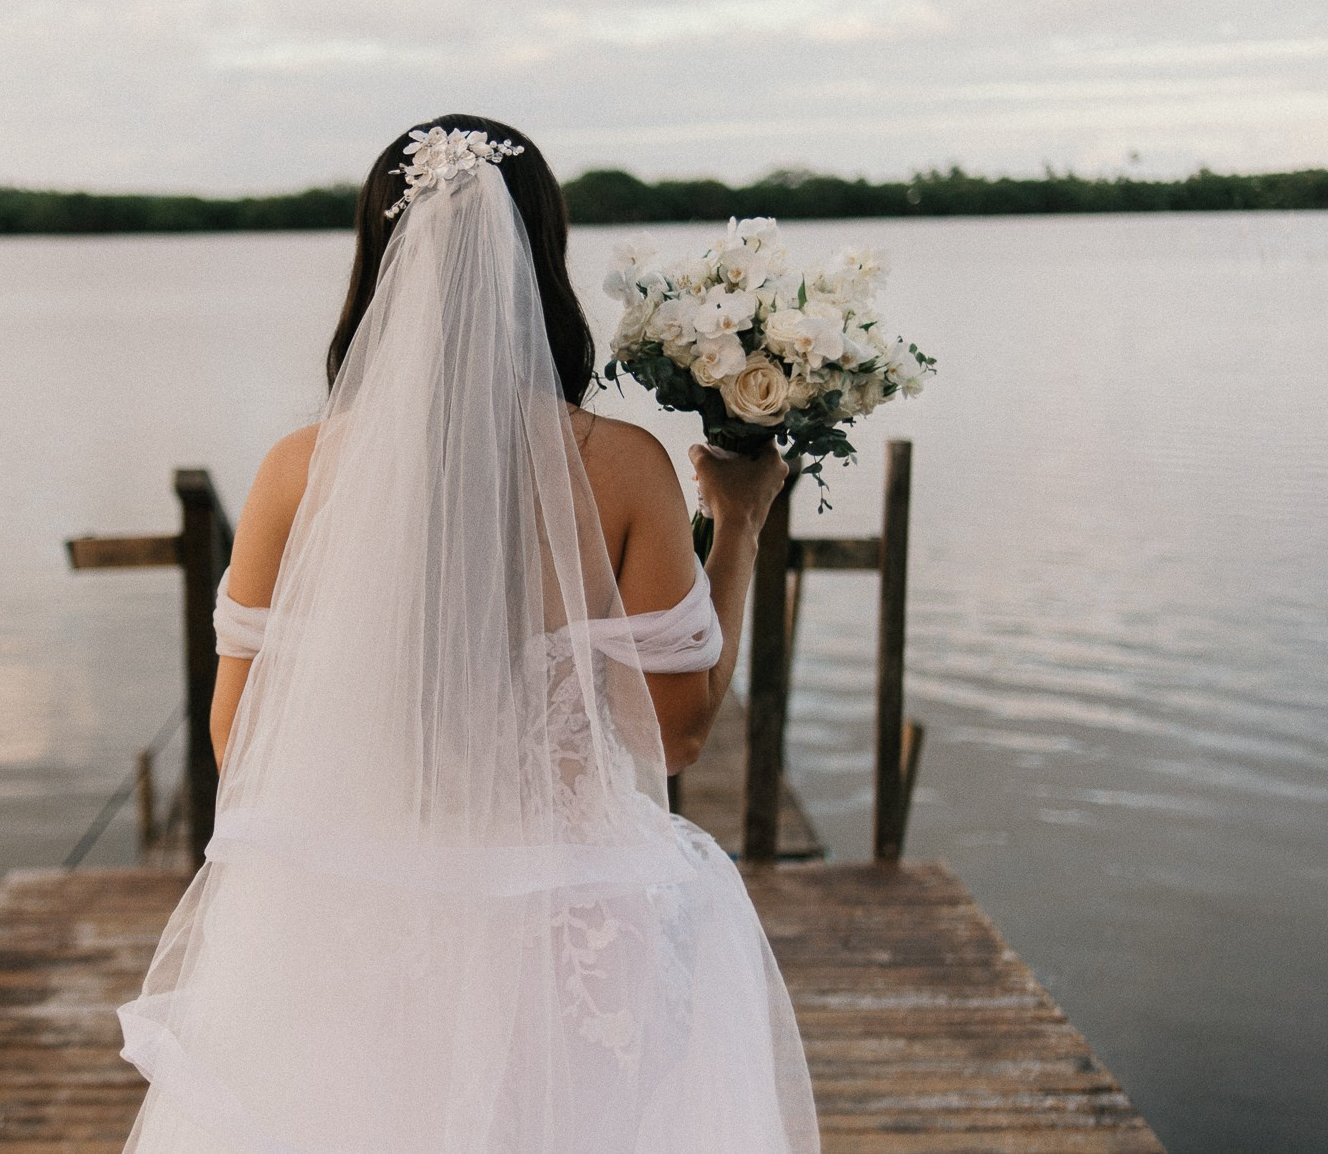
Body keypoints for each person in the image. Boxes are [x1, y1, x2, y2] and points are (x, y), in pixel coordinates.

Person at [116, 115, 818, 1153]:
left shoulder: (292, 472)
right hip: (572, 939)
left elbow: (238, 746)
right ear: (544, 259)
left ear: (375, 264)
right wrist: (742, 523)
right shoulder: (624, 467)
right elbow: (674, 739)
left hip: (357, 924)